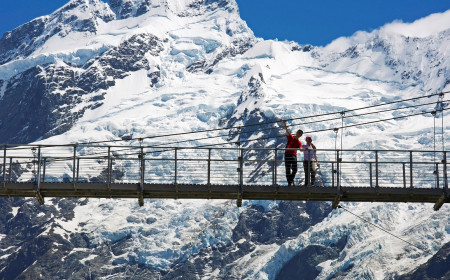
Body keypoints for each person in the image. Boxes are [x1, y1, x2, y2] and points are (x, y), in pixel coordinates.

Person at [282, 120, 303, 186]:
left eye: (300, 134)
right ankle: (290, 182)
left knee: (295, 169)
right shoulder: (291, 137)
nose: (298, 134)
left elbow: (300, 148)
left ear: (300, 135)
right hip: (287, 154)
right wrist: (284, 123)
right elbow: (286, 130)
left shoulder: (299, 142)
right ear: (296, 133)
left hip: (293, 155)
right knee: (288, 168)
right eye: (298, 133)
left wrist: (303, 149)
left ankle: (290, 180)